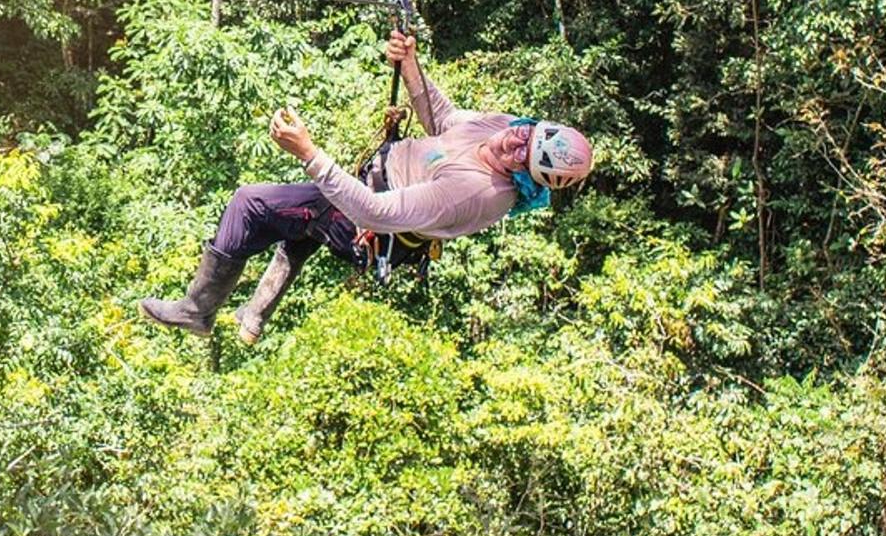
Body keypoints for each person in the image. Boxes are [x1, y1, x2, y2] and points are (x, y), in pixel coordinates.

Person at [140, 29, 593, 343]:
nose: (513, 140)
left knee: (252, 204)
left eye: (522, 153)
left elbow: (376, 213)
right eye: (526, 133)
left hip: (367, 225)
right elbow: (444, 120)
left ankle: (197, 310)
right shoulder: (504, 129)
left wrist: (307, 152)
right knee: (297, 226)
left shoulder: (477, 193)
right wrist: (410, 63)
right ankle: (253, 315)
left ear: (523, 177)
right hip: (372, 184)